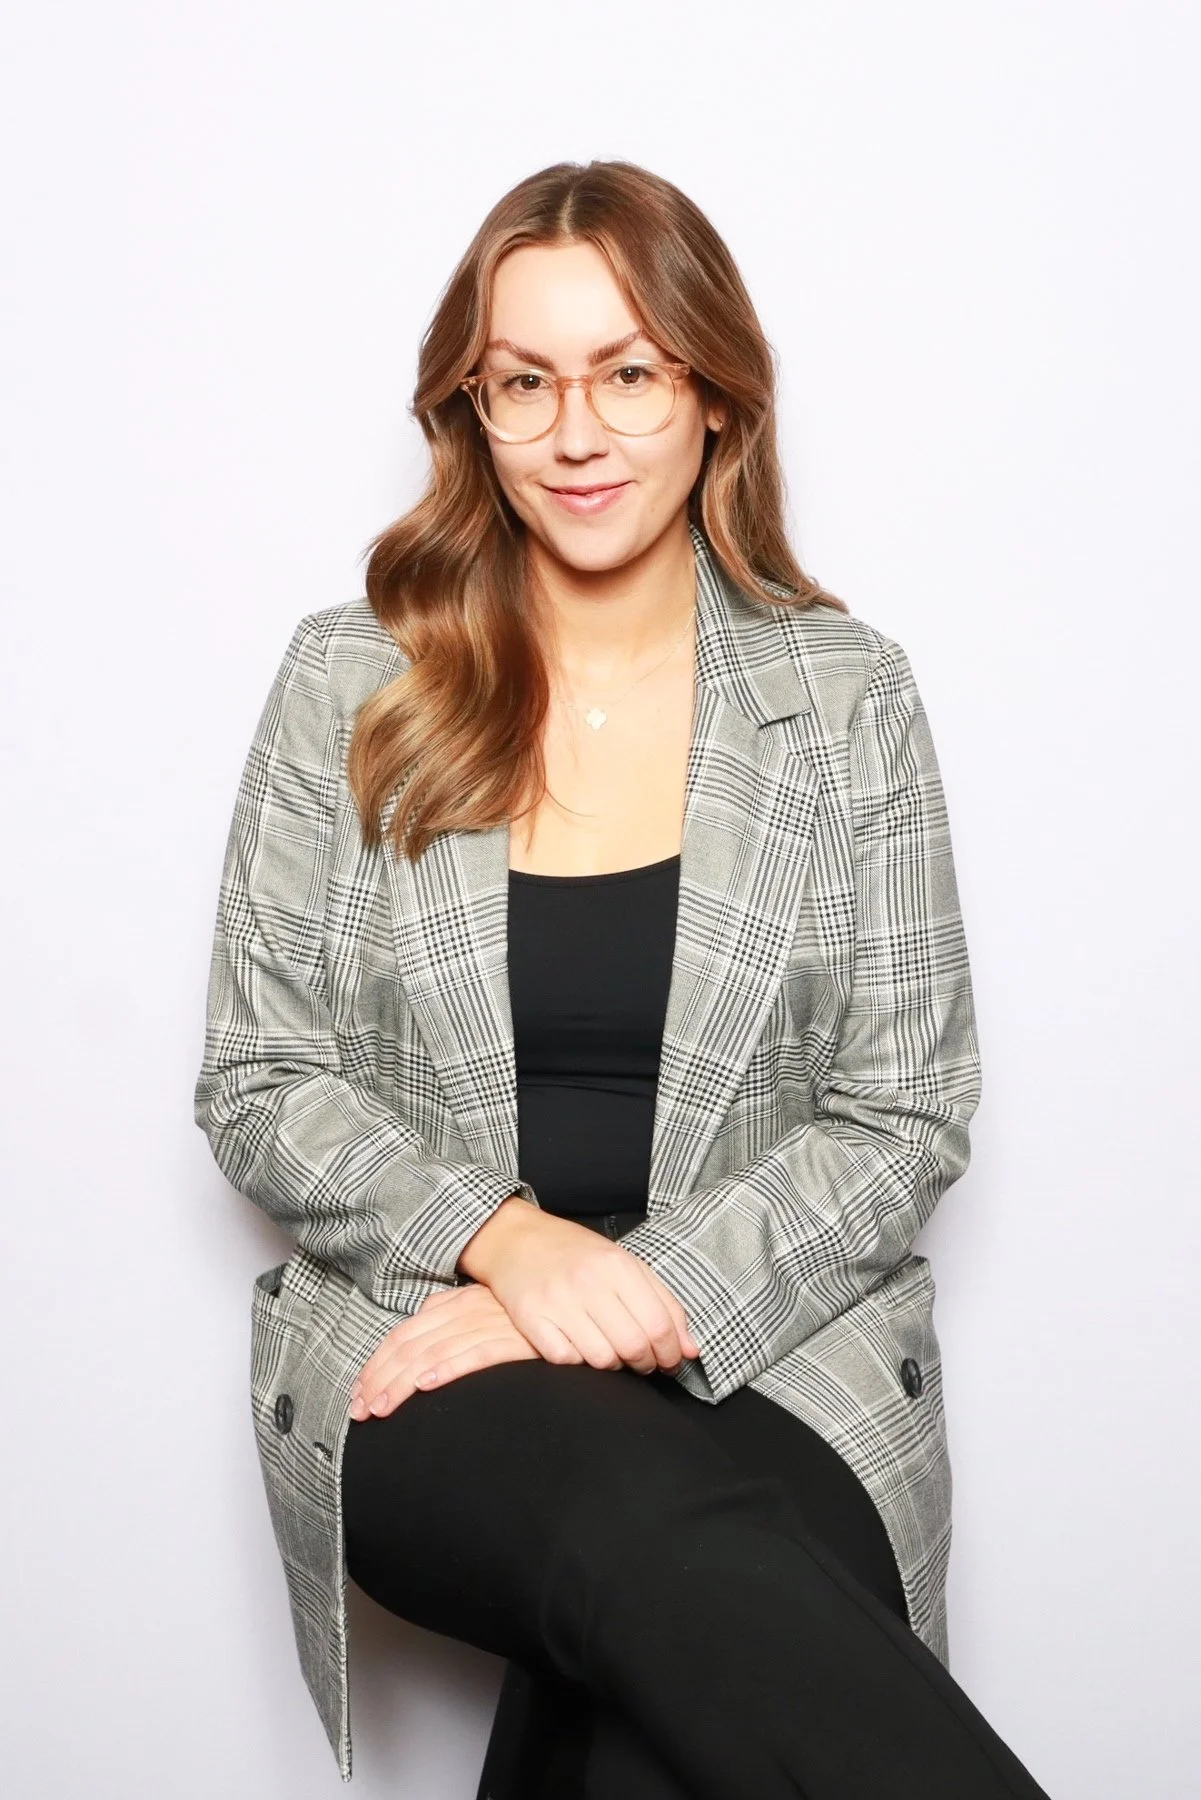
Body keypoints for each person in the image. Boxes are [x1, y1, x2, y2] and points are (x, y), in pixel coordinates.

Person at [194, 159, 1054, 1799]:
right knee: (659, 1543)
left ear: (715, 395)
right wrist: (511, 1249)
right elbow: (260, 1077)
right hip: (432, 1339)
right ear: (474, 410)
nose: (575, 433)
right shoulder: (349, 680)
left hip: (780, 1349)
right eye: (525, 383)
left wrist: (642, 1292)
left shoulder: (848, 697)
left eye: (630, 375)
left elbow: (905, 1112)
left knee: (652, 1725)